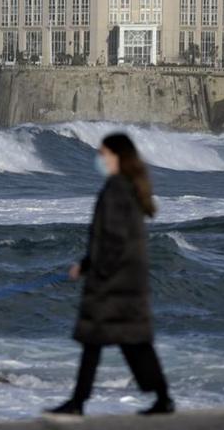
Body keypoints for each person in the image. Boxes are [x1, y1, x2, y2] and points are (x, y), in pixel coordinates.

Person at [45, 133, 174, 418]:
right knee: (134, 341)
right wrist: (87, 263)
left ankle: (78, 403)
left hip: (115, 280)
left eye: (103, 153)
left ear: (117, 155)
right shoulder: (129, 186)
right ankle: (163, 399)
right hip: (129, 278)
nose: (99, 159)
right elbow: (115, 237)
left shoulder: (116, 188)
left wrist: (96, 269)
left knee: (96, 341)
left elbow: (113, 239)